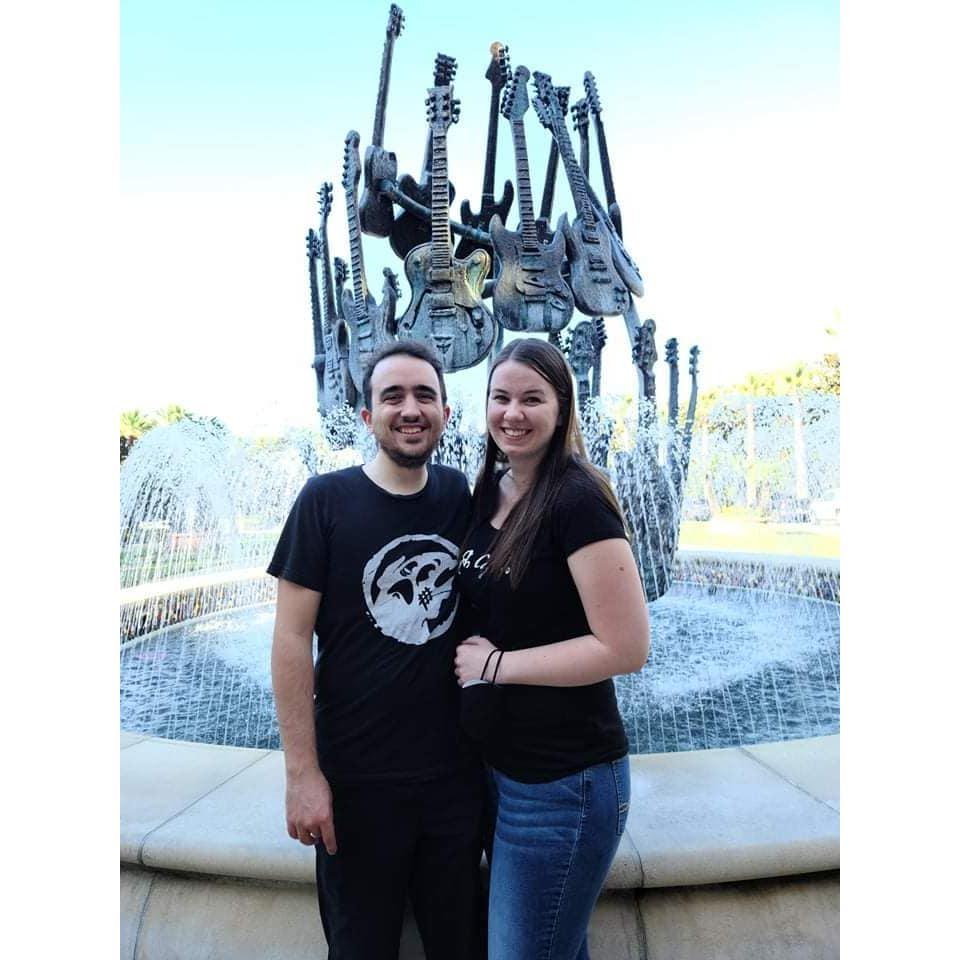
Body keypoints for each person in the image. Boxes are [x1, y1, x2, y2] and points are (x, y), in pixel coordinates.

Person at [268, 340, 484, 960]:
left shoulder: (458, 496)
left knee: (460, 945)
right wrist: (302, 774)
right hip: (357, 787)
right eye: (392, 396)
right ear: (367, 416)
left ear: (445, 412)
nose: (409, 409)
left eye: (424, 396)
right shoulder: (325, 501)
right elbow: (289, 643)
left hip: (455, 783)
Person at [455, 337, 650, 960]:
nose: (512, 413)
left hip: (564, 781)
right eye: (501, 397)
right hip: (501, 771)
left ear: (562, 410)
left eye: (532, 399)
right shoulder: (489, 489)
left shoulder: (577, 498)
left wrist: (496, 667)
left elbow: (625, 647)